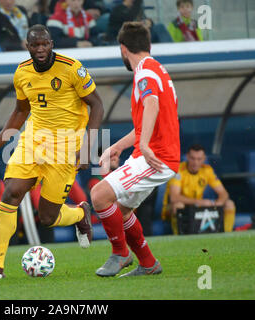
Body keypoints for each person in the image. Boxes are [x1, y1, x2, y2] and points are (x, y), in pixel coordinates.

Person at [0, 24, 104, 280]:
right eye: (35, 45)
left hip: (65, 146)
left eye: (45, 44)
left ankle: (80, 213)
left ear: (52, 43)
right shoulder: (22, 73)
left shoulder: (72, 68)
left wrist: (88, 146)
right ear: (28, 46)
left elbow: (97, 105)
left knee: (47, 217)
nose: (41, 49)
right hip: (32, 142)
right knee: (11, 193)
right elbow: (21, 111)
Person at [90, 21, 180, 277]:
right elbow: (145, 123)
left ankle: (120, 252)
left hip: (155, 157)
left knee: (99, 195)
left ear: (123, 49)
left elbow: (151, 103)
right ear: (148, 45)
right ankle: (149, 264)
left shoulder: (145, 72)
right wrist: (118, 146)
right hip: (152, 154)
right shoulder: (157, 69)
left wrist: (143, 145)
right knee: (122, 210)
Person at [161, 144, 236, 234]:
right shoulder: (178, 170)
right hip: (173, 209)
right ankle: (179, 237)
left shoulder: (207, 170)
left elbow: (224, 194)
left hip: (196, 208)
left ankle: (226, 235)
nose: (196, 162)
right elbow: (174, 197)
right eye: (193, 158)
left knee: (229, 203)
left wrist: (217, 204)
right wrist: (199, 202)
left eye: (199, 159)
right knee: (178, 205)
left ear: (204, 159)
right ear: (187, 157)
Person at [107, 0, 172, 45]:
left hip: (141, 36)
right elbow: (130, 19)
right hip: (127, 39)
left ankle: (170, 48)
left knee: (159, 27)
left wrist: (149, 22)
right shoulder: (117, 10)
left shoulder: (135, 9)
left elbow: (143, 20)